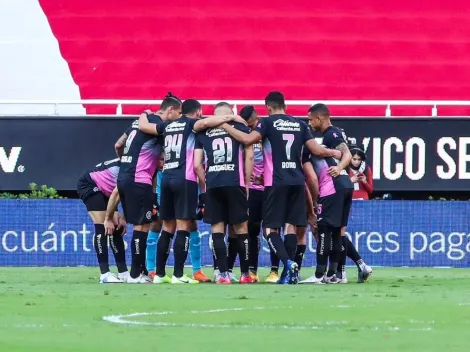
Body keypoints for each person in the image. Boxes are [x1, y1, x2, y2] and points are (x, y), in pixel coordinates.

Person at [219, 91, 341, 284]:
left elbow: (247, 140)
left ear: (268, 107)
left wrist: (224, 125)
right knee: (290, 227)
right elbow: (316, 150)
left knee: (270, 230)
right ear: (285, 105)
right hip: (296, 182)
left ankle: (287, 263)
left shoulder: (267, 123)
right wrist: (336, 151)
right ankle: (289, 272)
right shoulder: (300, 124)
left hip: (275, 182)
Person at [138, 99, 247, 284]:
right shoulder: (192, 125)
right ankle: (179, 275)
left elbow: (145, 127)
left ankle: (160, 274)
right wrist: (231, 116)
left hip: (166, 178)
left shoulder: (168, 125)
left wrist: (144, 114)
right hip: (185, 179)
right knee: (183, 226)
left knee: (167, 227)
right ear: (197, 112)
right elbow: (204, 124)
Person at [105, 93, 182, 284]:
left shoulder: (135, 123)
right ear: (170, 110)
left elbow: (118, 145)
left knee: (141, 226)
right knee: (142, 227)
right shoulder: (157, 124)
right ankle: (134, 275)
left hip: (125, 176)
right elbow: (147, 129)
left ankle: (138, 272)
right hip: (139, 179)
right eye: (178, 113)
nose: (179, 117)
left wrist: (128, 161)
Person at [307, 104, 372, 283]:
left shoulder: (331, 133)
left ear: (319, 118)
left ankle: (322, 274)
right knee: (338, 232)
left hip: (333, 186)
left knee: (327, 230)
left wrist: (340, 166)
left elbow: (346, 153)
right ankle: (337, 274)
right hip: (344, 185)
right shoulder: (332, 133)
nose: (310, 123)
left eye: (311, 119)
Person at [194, 102, 254, 284]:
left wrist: (206, 184)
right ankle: (245, 274)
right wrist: (247, 183)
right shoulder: (240, 126)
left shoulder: (203, 131)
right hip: (235, 182)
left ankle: (222, 275)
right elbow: (249, 155)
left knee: (217, 230)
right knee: (241, 229)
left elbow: (197, 165)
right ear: (231, 113)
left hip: (213, 183)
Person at [77, 158, 128, 283]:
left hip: (107, 189)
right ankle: (105, 274)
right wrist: (107, 218)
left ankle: (123, 272)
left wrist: (123, 218)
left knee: (117, 227)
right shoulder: (131, 167)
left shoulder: (140, 166)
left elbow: (130, 194)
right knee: (103, 225)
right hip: (90, 184)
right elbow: (118, 193)